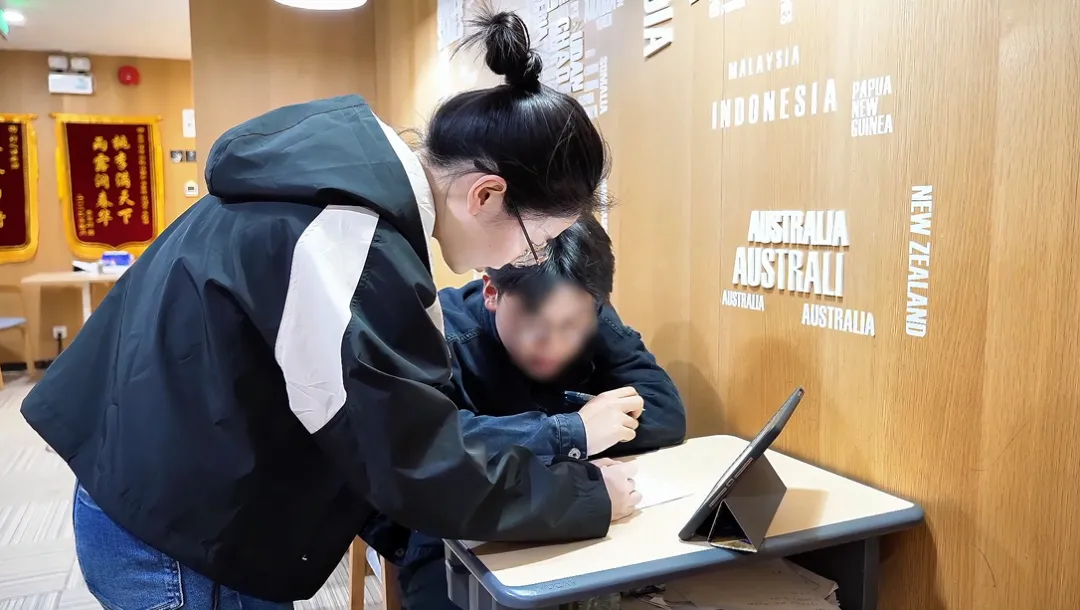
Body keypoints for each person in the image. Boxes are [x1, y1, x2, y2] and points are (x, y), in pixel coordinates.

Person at [19, 9, 640, 610]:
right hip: (183, 535)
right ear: (485, 195)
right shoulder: (348, 240)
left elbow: (396, 432)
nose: (533, 260)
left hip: (156, 487)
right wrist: (588, 498)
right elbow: (412, 459)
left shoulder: (325, 189)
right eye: (539, 241)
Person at [399, 215, 687, 610]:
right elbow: (436, 450)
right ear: (492, 291)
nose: (556, 344)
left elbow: (665, 412)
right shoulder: (439, 335)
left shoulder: (587, 312)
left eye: (573, 325)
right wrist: (574, 432)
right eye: (537, 325)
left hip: (581, 519)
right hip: (455, 533)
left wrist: (578, 441)